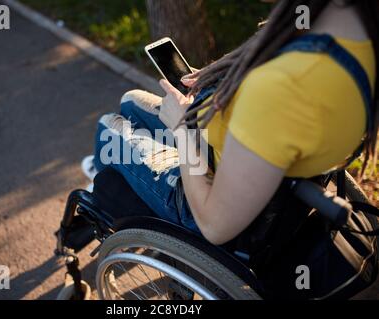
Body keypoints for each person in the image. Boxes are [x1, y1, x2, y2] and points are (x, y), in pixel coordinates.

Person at [81, 0, 378, 245]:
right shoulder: (354, 31)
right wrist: (222, 84)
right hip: (245, 162)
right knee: (131, 100)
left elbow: (214, 226)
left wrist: (182, 128)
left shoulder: (283, 88)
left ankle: (105, 207)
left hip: (205, 194)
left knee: (110, 127)